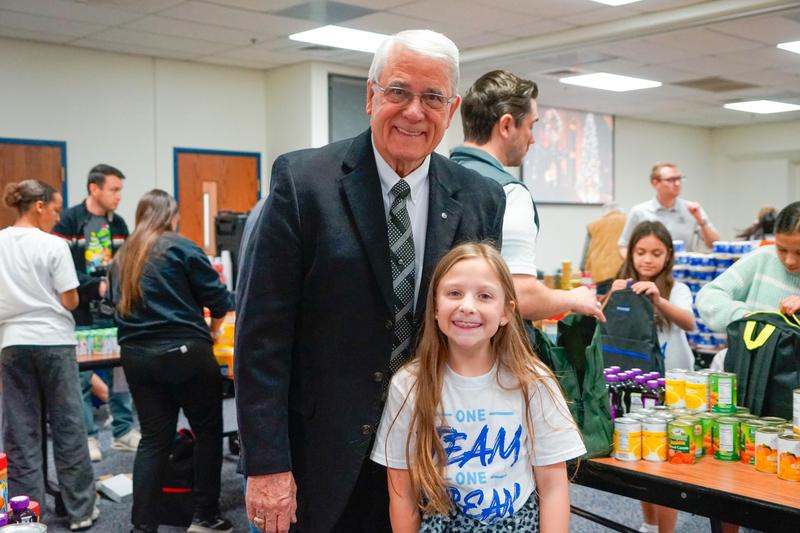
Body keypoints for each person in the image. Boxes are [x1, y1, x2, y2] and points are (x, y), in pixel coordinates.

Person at [236, 29, 506, 533]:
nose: (413, 112)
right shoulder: (303, 183)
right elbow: (261, 337)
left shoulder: (481, 198)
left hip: (436, 450)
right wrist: (268, 464)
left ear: (452, 110)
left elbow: (488, 328)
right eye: (398, 92)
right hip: (325, 451)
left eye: (432, 98)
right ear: (370, 96)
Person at [370, 242, 586, 532]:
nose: (467, 306)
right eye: (454, 293)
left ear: (507, 312)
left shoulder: (533, 381)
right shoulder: (409, 385)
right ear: (435, 306)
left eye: (485, 296)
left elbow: (553, 489)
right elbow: (402, 494)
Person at [111, 189, 234, 533]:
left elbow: (113, 309)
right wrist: (212, 329)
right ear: (171, 216)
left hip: (136, 357)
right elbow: (218, 298)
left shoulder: (122, 255)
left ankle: (142, 526)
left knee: (153, 439)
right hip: (184, 352)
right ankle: (205, 516)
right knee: (207, 431)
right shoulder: (180, 246)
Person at [451, 70, 604, 321]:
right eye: (531, 126)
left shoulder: (436, 179)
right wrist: (574, 298)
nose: (532, 139)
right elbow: (519, 296)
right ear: (507, 125)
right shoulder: (509, 192)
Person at [0, 180, 99, 530]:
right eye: (55, 210)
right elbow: (71, 299)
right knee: (69, 425)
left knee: (20, 432)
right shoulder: (53, 246)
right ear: (39, 205)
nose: (57, 218)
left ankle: (26, 517)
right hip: (54, 341)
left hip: (11, 343)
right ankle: (81, 511)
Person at [609, 221, 695, 533]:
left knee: (666, 470)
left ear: (668, 255)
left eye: (656, 253)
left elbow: (689, 323)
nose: (647, 259)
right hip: (635, 388)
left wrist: (658, 299)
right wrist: (610, 297)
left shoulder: (678, 289)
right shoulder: (621, 284)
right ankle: (648, 524)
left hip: (673, 389)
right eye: (641, 252)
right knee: (643, 461)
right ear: (630, 253)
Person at [53, 163, 139, 462]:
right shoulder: (69, 222)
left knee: (121, 373)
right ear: (94, 188)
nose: (118, 196)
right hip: (81, 313)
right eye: (113, 190)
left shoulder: (119, 225)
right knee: (81, 378)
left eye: (120, 190)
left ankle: (124, 430)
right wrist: (96, 286)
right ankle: (88, 437)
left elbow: (126, 263)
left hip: (115, 311)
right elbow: (61, 267)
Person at [698, 201, 800, 332]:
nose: (789, 261)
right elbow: (708, 296)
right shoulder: (763, 258)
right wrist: (745, 320)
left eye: (799, 252)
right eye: (781, 249)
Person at [618, 162, 719, 256]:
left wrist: (701, 221)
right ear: (655, 183)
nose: (677, 184)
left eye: (679, 179)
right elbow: (623, 247)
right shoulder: (639, 212)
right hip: (650, 271)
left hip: (681, 271)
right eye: (671, 180)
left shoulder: (692, 209)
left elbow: (714, 244)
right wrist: (637, 266)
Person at [581, 204, 626, 291]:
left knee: (604, 302)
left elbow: (586, 251)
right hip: (624, 271)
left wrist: (582, 268)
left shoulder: (595, 225)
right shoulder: (629, 222)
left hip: (601, 273)